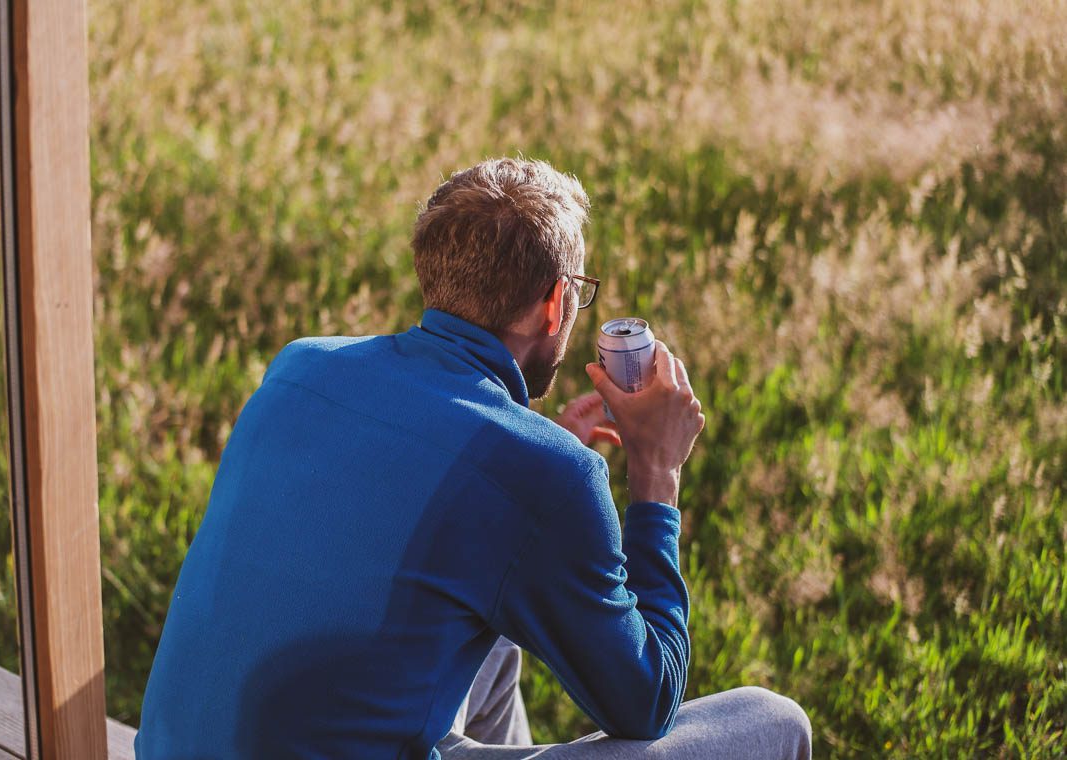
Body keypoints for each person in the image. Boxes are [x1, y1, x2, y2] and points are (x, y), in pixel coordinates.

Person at [135, 158, 812, 759]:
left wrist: (543, 478)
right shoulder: (546, 477)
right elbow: (647, 702)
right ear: (555, 303)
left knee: (491, 638)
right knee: (772, 722)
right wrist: (656, 477)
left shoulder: (300, 366)